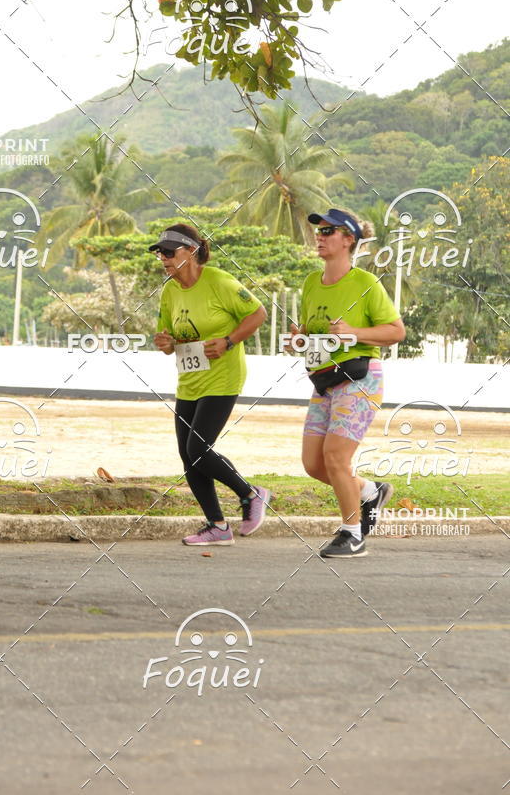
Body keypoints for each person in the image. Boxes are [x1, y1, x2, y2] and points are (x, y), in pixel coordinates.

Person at [294, 207, 405, 558]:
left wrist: (353, 332)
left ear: (348, 240)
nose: (320, 236)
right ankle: (369, 491)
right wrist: (299, 339)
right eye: (319, 231)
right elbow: (313, 333)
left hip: (359, 379)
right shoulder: (312, 282)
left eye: (328, 231)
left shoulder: (365, 283)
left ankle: (352, 534)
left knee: (335, 459)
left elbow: (396, 331)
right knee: (313, 464)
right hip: (324, 380)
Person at [151, 224, 271, 546]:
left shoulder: (219, 281)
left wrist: (229, 341)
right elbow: (168, 338)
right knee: (187, 456)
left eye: (168, 252)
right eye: (159, 253)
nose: (162, 258)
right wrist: (164, 342)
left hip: (223, 377)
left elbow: (258, 313)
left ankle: (251, 493)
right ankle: (217, 526)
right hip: (189, 380)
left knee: (198, 448)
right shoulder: (169, 291)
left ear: (190, 251)